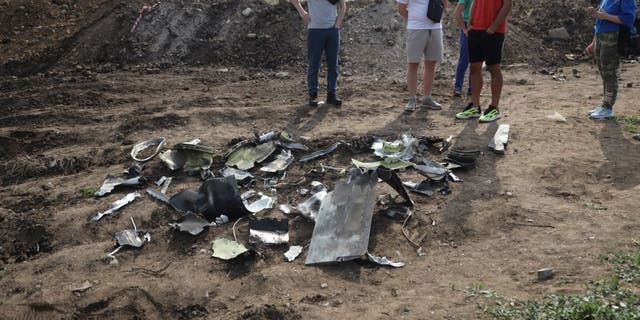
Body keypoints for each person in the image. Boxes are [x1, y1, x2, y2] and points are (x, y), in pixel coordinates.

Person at [455, 0, 511, 123]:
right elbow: (475, 2)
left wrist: (494, 27)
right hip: (475, 29)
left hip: (493, 32)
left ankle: (494, 108)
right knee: (474, 67)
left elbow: (507, 5)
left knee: (493, 68)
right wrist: (469, 22)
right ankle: (475, 107)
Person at [585, 0, 637, 119]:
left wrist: (605, 16)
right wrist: (593, 43)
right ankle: (604, 105)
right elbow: (599, 22)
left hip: (613, 38)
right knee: (604, 72)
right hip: (601, 37)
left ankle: (608, 108)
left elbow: (628, 20)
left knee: (609, 72)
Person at [291, 0, 347, 107]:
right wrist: (303, 13)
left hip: (332, 31)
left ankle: (331, 94)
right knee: (314, 64)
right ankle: (313, 95)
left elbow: (342, 5)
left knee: (333, 65)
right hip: (315, 31)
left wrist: (337, 25)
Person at [397, 0, 447, 113]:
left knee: (431, 64)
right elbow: (401, 8)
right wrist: (416, 19)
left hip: (435, 28)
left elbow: (444, 3)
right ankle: (412, 99)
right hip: (415, 28)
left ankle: (427, 97)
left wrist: (435, 16)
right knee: (413, 64)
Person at [453, 0, 474, 97]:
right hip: (467, 24)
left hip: (479, 25)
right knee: (464, 59)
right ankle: (458, 87)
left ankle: (472, 88)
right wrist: (464, 29)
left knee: (476, 60)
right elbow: (457, 11)